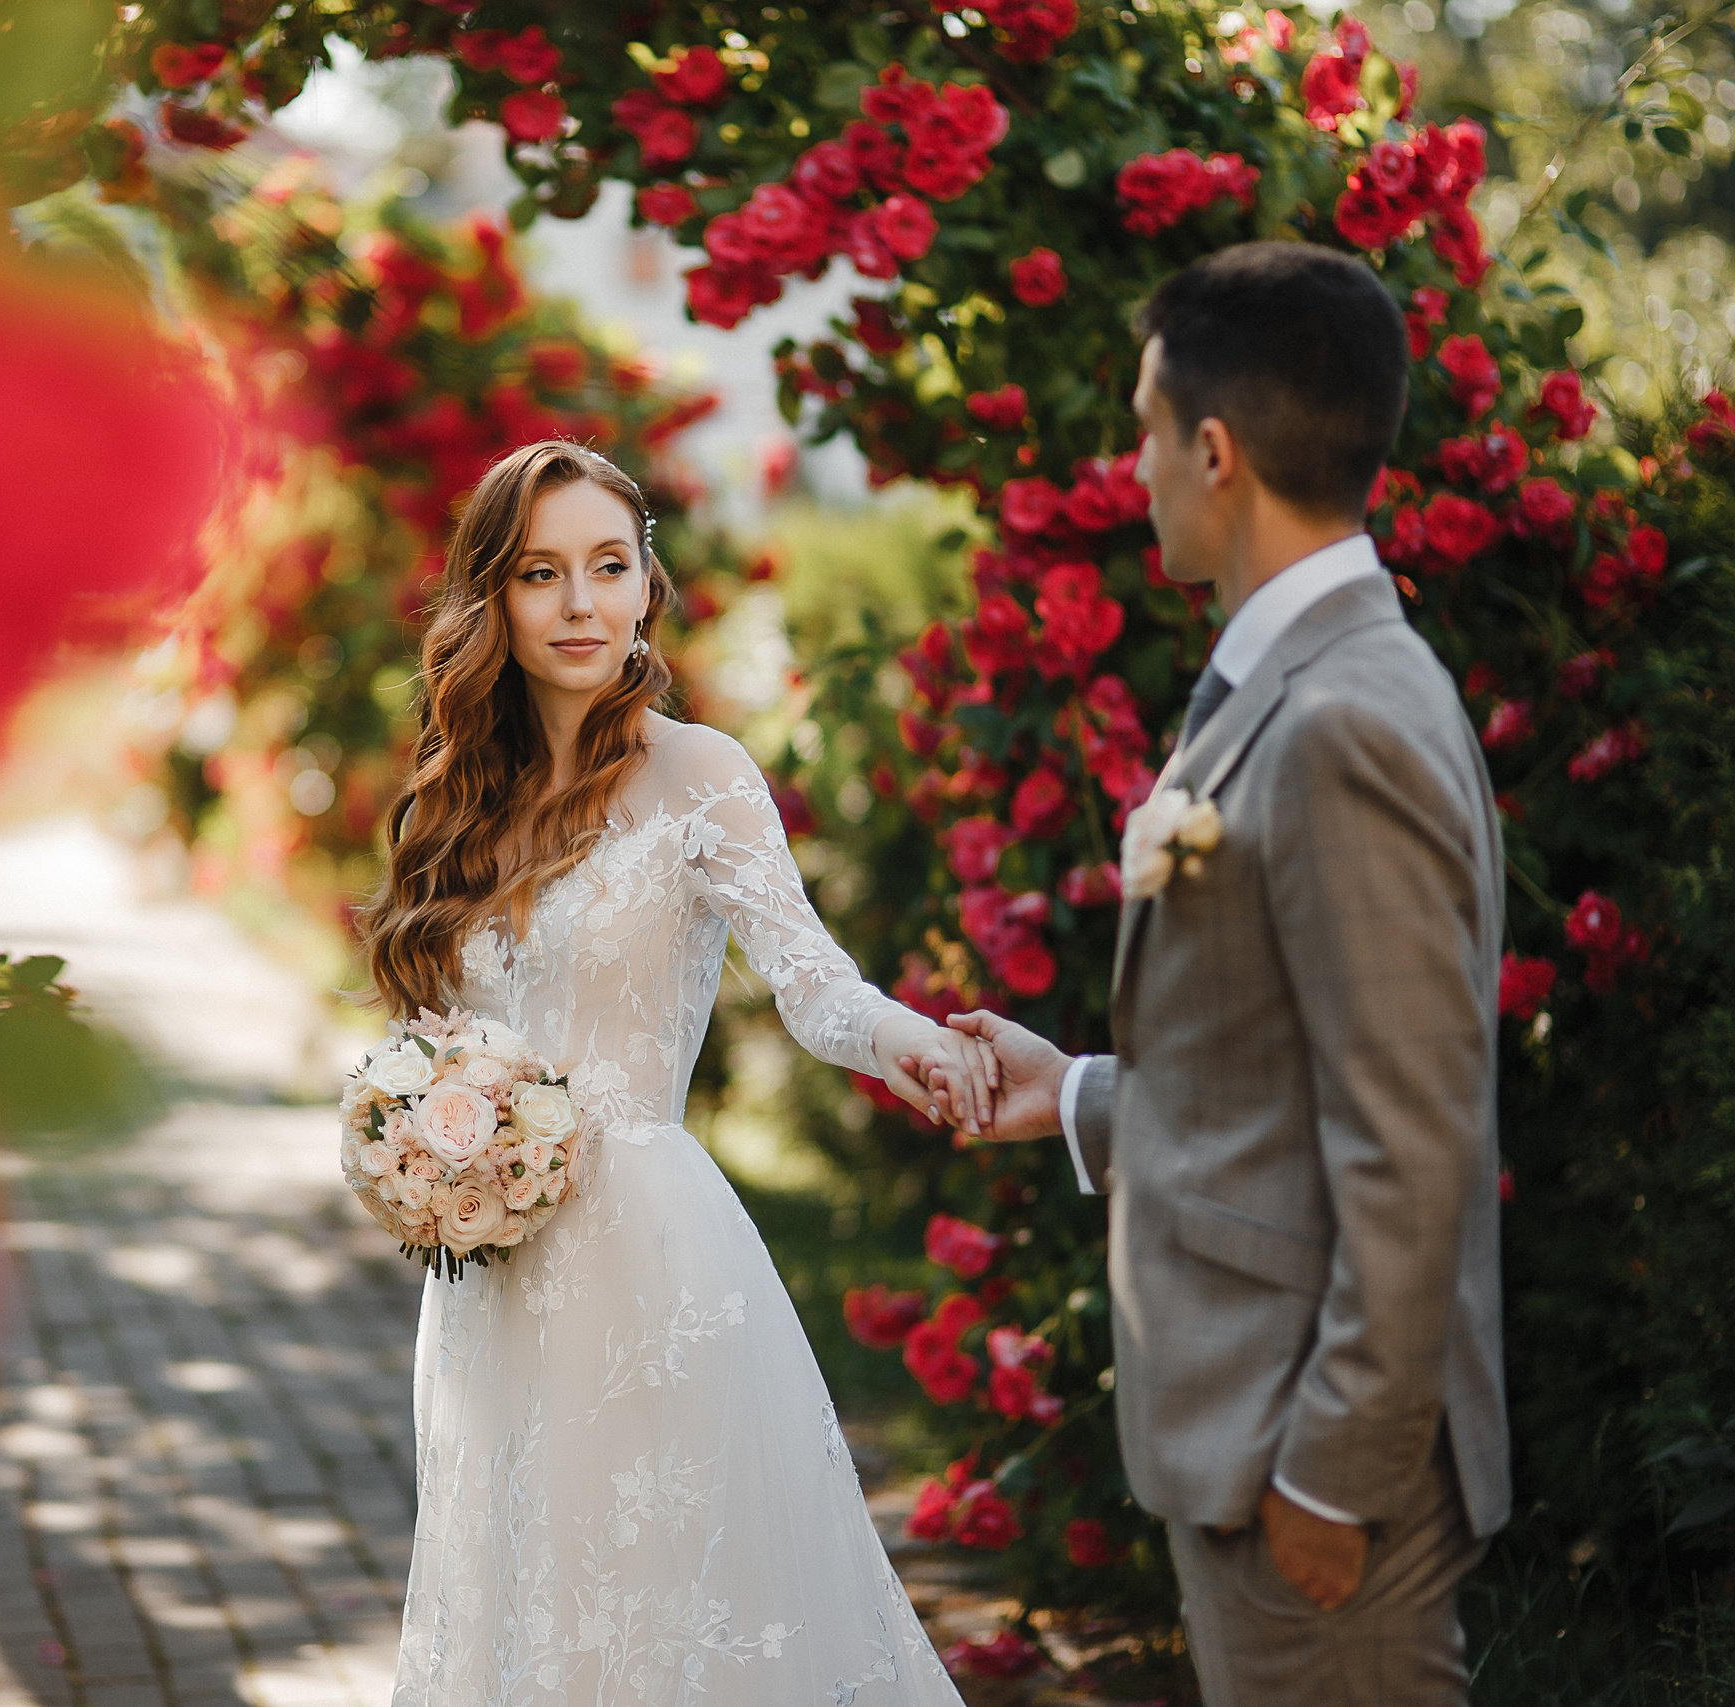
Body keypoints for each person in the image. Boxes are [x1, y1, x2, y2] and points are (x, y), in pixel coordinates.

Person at [914, 243, 1509, 1706]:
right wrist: (1075, 1094)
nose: (1135, 466)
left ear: (1217, 451)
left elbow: (1414, 1141)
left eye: (1143, 429)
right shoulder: (1302, 681)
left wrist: (1330, 1474)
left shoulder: (1342, 718)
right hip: (1257, 1438)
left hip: (1310, 1464)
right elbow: (1292, 1078)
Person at [362, 439, 990, 1705]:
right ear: (494, 597)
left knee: (663, 1606)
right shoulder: (459, 804)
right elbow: (434, 1038)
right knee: (522, 1608)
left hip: (647, 1260)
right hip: (487, 1281)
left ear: (648, 583)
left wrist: (913, 1043)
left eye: (609, 566)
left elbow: (815, 987)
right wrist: (410, 1137)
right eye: (540, 573)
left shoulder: (702, 775)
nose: (580, 603)